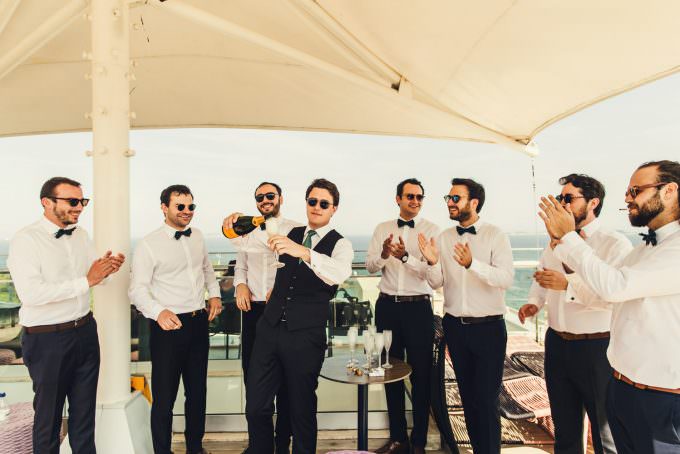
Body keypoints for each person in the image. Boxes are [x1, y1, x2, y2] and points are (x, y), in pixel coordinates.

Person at [538, 160, 680, 454]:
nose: (627, 197)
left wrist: (569, 239)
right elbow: (605, 296)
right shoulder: (643, 250)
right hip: (623, 387)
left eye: (635, 190)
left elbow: (615, 286)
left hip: (662, 399)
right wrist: (565, 248)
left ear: (669, 191)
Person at [7, 176, 125, 454]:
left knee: (84, 415)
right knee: (48, 418)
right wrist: (87, 280)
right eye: (72, 201)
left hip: (85, 331)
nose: (79, 207)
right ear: (46, 202)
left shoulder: (81, 235)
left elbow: (93, 277)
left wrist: (106, 270)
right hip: (47, 339)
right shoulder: (26, 240)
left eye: (82, 201)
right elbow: (31, 294)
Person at [519, 174, 631, 454]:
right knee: (565, 427)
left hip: (597, 347)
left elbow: (612, 299)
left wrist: (568, 284)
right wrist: (534, 302)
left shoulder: (615, 244)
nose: (562, 204)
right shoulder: (553, 242)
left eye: (568, 198)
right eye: (560, 198)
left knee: (605, 432)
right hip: (557, 343)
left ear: (593, 202)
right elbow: (543, 276)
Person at [245, 178, 353, 454]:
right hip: (269, 329)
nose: (317, 207)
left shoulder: (340, 244)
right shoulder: (290, 231)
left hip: (305, 336)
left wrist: (304, 252)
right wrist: (235, 224)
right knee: (256, 407)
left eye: (324, 203)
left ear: (334, 208)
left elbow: (339, 273)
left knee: (300, 410)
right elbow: (250, 244)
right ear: (306, 203)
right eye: (312, 201)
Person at [419, 178, 513, 454]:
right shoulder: (444, 237)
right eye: (448, 198)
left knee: (486, 400)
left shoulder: (495, 235)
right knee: (468, 399)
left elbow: (505, 278)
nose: (450, 202)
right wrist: (432, 261)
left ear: (474, 202)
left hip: (488, 328)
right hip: (456, 328)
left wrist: (473, 264)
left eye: (455, 198)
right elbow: (436, 282)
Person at [129, 184, 222, 454]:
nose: (186, 211)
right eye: (180, 206)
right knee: (164, 397)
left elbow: (207, 269)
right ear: (164, 207)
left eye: (191, 206)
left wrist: (215, 295)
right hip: (168, 328)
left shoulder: (198, 236)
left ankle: (195, 448)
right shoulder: (148, 244)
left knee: (197, 393)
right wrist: (159, 311)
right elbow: (136, 290)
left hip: (198, 322)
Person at [222, 181, 299, 453]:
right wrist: (240, 284)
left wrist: (281, 291)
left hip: (285, 313)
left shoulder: (296, 229)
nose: (265, 200)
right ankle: (259, 445)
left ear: (280, 198)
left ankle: (282, 444)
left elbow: (299, 269)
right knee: (254, 381)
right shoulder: (248, 230)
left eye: (270, 195)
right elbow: (241, 263)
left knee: (286, 383)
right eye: (260, 197)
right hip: (253, 312)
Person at [365, 178, 440, 454]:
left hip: (418, 309)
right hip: (387, 307)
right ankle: (398, 438)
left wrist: (407, 257)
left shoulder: (432, 231)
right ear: (398, 199)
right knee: (390, 373)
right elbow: (370, 266)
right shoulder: (382, 228)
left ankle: (418, 441)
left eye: (419, 197)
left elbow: (433, 275)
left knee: (421, 377)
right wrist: (385, 254)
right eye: (410, 196)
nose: (415, 201)